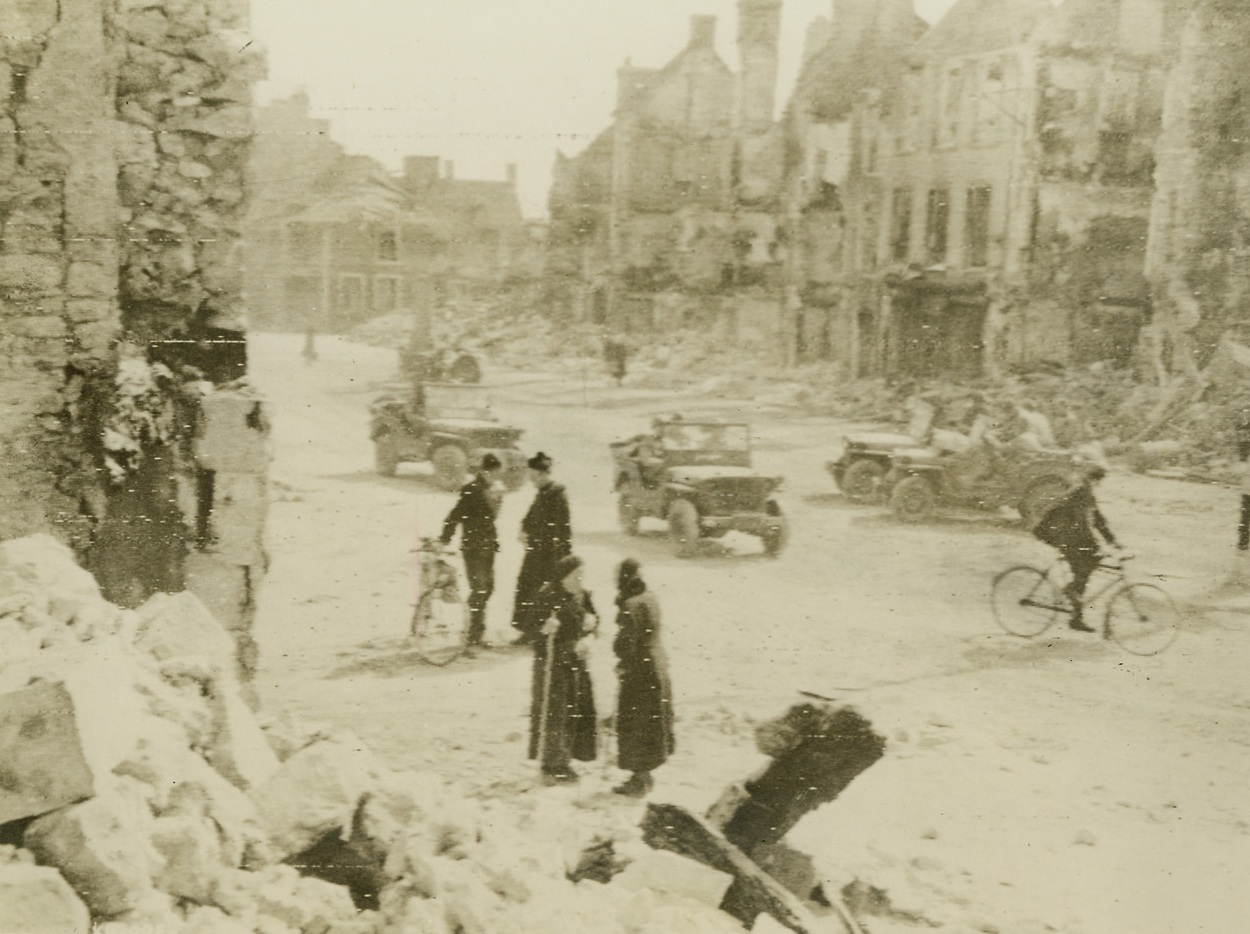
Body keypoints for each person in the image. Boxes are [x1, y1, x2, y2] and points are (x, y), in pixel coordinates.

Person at [529, 555, 599, 784]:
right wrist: (544, 629)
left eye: (582, 575)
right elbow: (532, 632)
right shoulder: (548, 595)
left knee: (573, 712)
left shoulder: (583, 595)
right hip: (553, 666)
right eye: (576, 576)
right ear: (564, 576)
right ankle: (550, 765)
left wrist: (591, 631)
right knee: (554, 714)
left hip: (577, 662)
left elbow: (596, 622)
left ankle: (565, 760)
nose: (580, 580)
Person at [611, 559, 674, 797]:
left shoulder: (631, 604)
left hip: (640, 672)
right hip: (657, 666)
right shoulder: (650, 598)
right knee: (651, 724)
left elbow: (626, 644)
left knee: (636, 723)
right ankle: (645, 776)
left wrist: (622, 665)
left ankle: (639, 779)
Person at [1033, 465, 1120, 632]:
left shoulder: (1087, 493)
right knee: (1085, 566)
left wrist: (1112, 541)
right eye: (1098, 481)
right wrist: (1098, 544)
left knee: (1087, 568)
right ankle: (1072, 596)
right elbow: (1081, 524)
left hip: (1071, 538)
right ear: (1094, 479)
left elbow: (1097, 519)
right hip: (1064, 538)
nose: (1098, 484)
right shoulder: (1080, 492)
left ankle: (1076, 616)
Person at [439, 453, 504, 650]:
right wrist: (444, 538)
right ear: (486, 471)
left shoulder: (490, 489)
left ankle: (475, 631)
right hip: (474, 549)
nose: (497, 477)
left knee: (488, 588)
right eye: (495, 473)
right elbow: (455, 515)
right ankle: (472, 634)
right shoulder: (471, 490)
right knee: (480, 589)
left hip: (488, 548)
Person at [511, 452, 572, 645]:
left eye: (533, 476)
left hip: (549, 557)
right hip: (534, 553)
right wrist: (523, 529)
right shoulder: (541, 493)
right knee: (526, 588)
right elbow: (529, 517)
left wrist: (558, 559)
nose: (531, 481)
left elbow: (563, 530)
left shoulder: (558, 496)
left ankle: (541, 636)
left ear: (543, 474)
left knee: (544, 596)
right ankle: (527, 632)